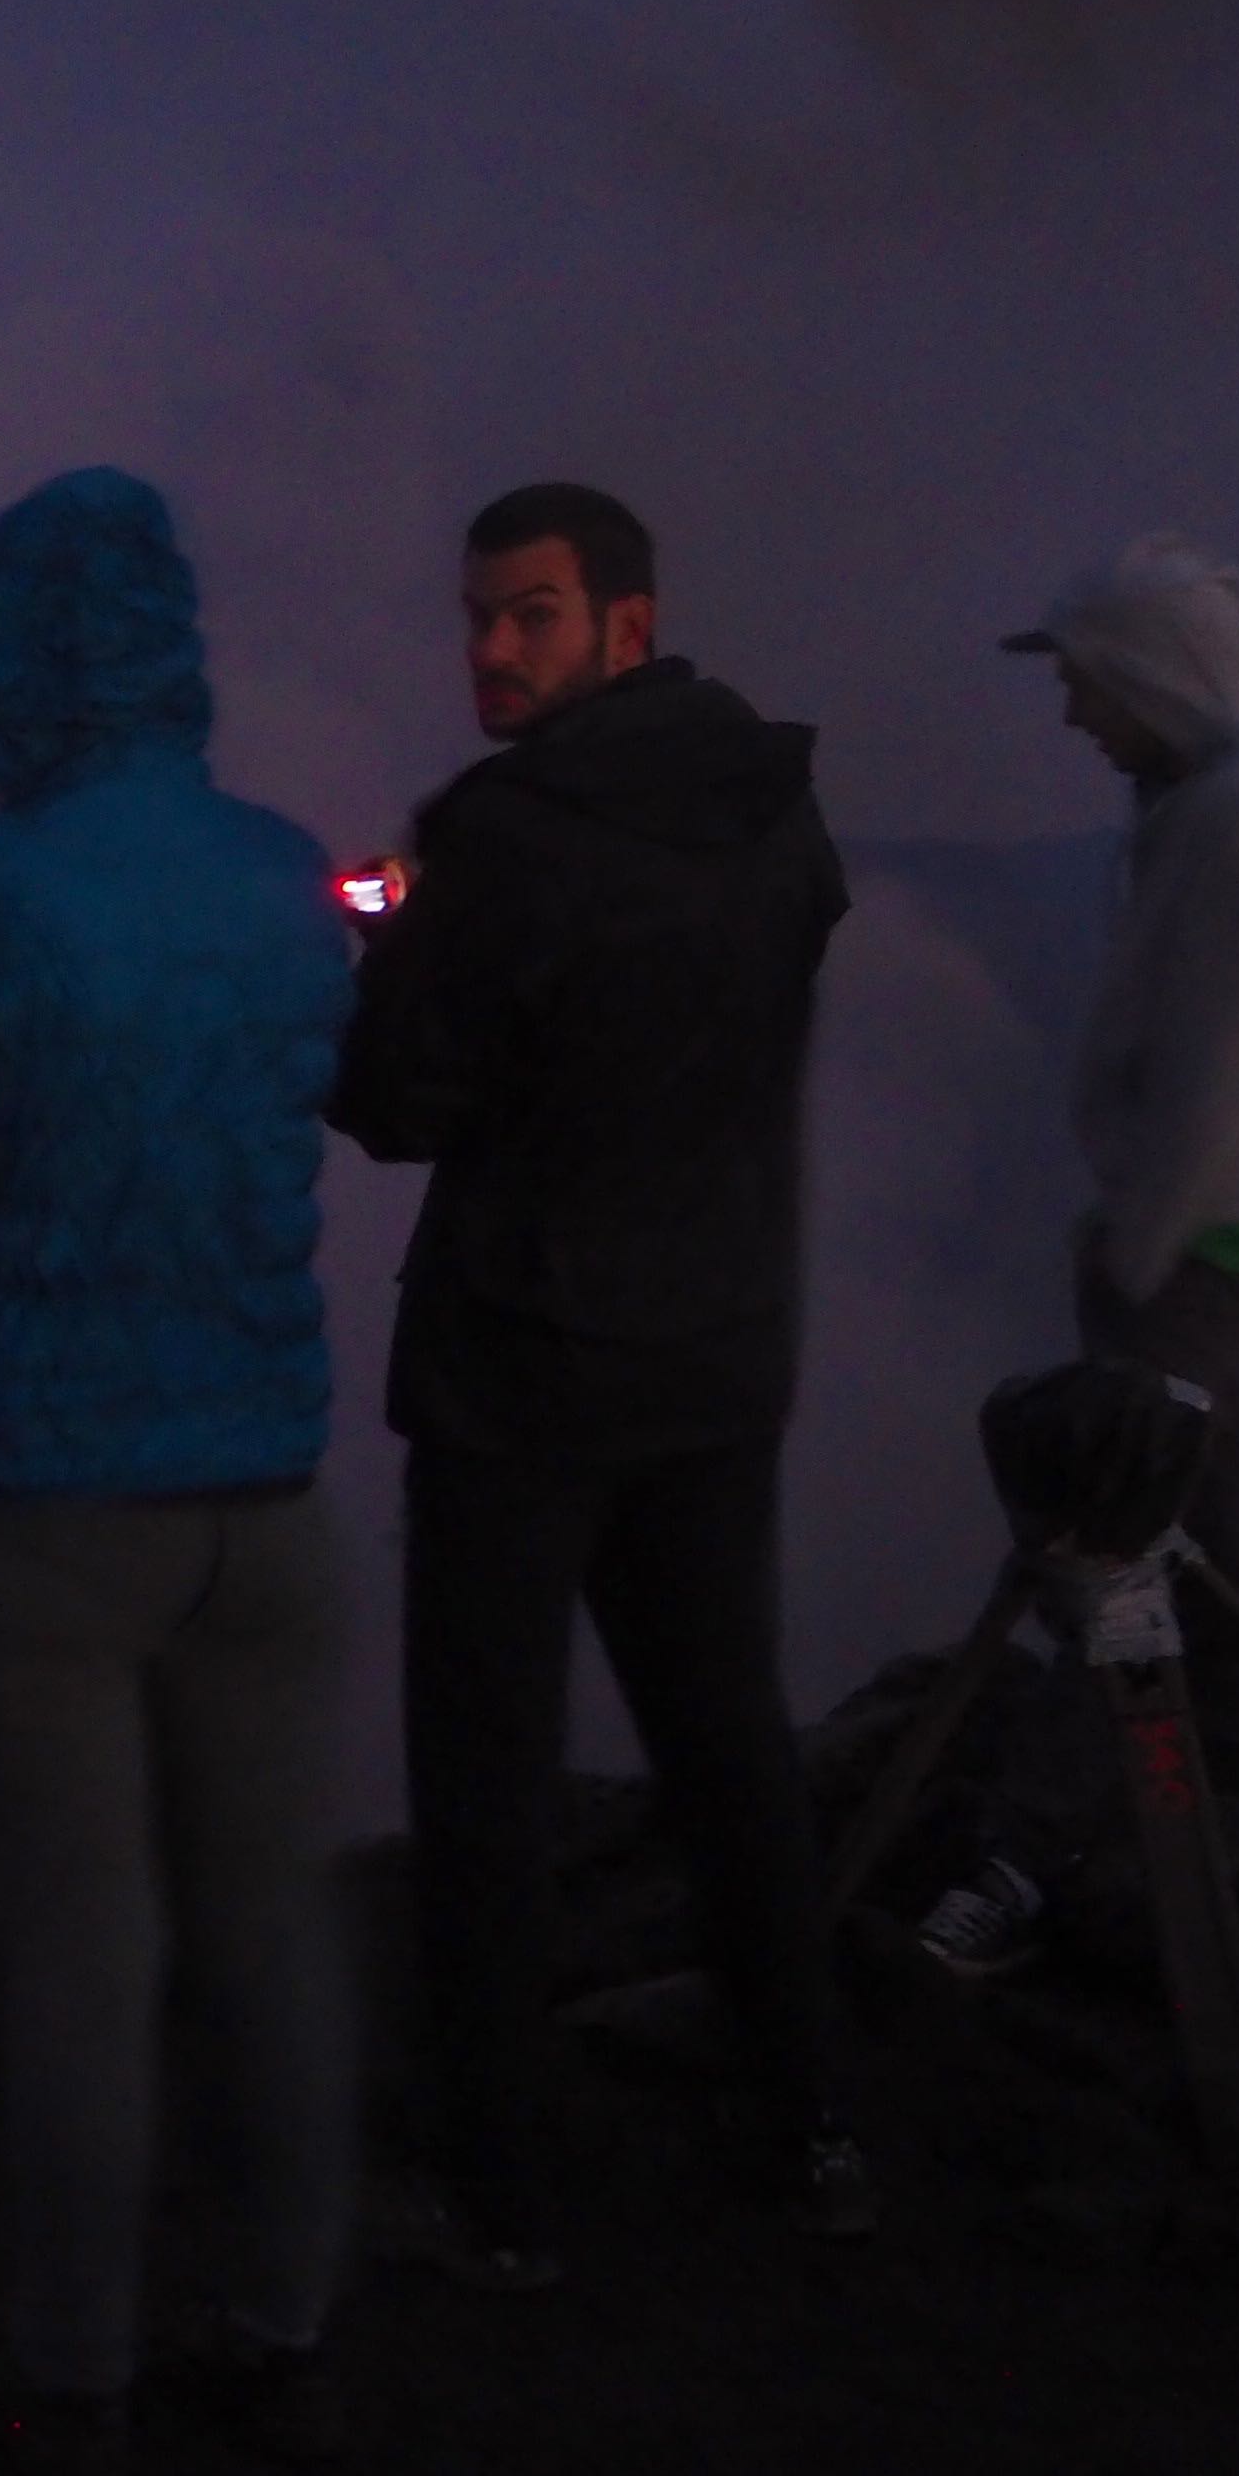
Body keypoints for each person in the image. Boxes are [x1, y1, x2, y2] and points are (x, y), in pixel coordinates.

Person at [0, 467, 363, 2476]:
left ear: (29, 668)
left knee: (81, 1963)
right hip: (266, 1511)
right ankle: (287, 2332)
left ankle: (72, 2376)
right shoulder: (283, 874)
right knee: (273, 1932)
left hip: (41, 1522)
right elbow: (316, 1087)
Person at [332, 482, 872, 2282]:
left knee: (489, 1777)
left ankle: (503, 2186)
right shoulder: (777, 802)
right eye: (478, 615)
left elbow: (399, 1104)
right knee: (727, 1740)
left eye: (531, 614)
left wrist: (389, 947)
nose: (491, 649)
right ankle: (814, 2124)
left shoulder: (508, 839)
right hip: (719, 1348)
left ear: (625, 625)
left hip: (524, 1375)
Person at [919, 538, 1239, 1976]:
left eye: (1087, 679)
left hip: (1201, 1241)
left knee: (1103, 1546)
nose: (1071, 711)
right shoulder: (1208, 808)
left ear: (1154, 671)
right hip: (1196, 1230)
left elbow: (1228, 1066)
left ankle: (1023, 1858)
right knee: (1208, 1521)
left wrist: (1140, 1248)